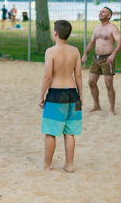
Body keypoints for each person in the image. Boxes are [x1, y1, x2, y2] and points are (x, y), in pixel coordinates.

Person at [39, 20, 83, 172]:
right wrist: (81, 96)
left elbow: (47, 76)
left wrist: (41, 96)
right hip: (73, 94)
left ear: (55, 33)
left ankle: (47, 165)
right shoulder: (75, 51)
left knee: (51, 132)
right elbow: (78, 76)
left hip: (56, 94)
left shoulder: (50, 51)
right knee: (69, 132)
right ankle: (69, 165)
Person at [82, 7, 121, 115]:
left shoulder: (112, 28)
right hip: (96, 58)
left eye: (103, 12)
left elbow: (120, 43)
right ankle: (97, 105)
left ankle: (111, 109)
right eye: (100, 11)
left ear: (109, 16)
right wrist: (85, 54)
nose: (100, 13)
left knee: (109, 85)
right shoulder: (96, 28)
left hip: (107, 59)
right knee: (91, 82)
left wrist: (113, 55)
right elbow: (91, 42)